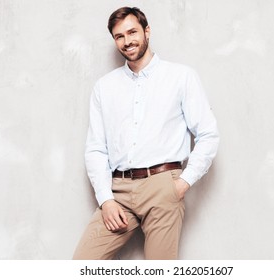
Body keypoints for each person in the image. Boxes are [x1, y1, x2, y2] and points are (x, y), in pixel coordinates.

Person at [73, 6, 219, 260]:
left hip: (162, 186)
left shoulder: (180, 77)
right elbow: (96, 148)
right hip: (117, 190)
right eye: (119, 36)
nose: (127, 41)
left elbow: (208, 134)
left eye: (132, 32)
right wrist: (106, 200)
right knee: (83, 264)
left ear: (147, 31)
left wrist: (182, 184)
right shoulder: (104, 88)